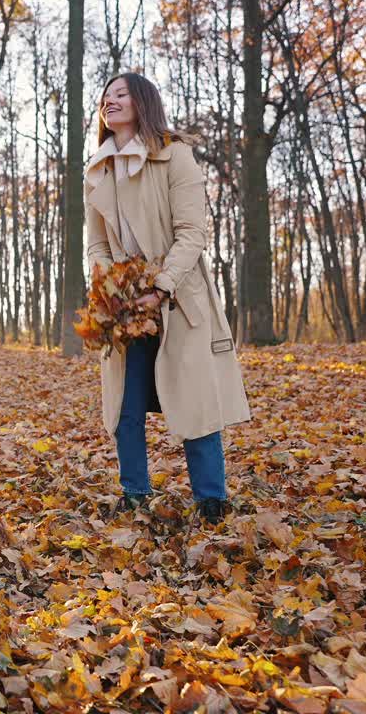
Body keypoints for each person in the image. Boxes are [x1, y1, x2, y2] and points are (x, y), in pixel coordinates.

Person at [85, 72, 250, 524]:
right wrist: (110, 287)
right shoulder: (98, 169)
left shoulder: (176, 155)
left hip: (178, 297)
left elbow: (193, 232)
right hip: (124, 302)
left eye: (121, 94)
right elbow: (96, 243)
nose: (110, 101)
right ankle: (134, 494)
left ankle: (211, 499)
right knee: (125, 404)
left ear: (143, 102)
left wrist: (161, 285)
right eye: (105, 96)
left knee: (194, 399)